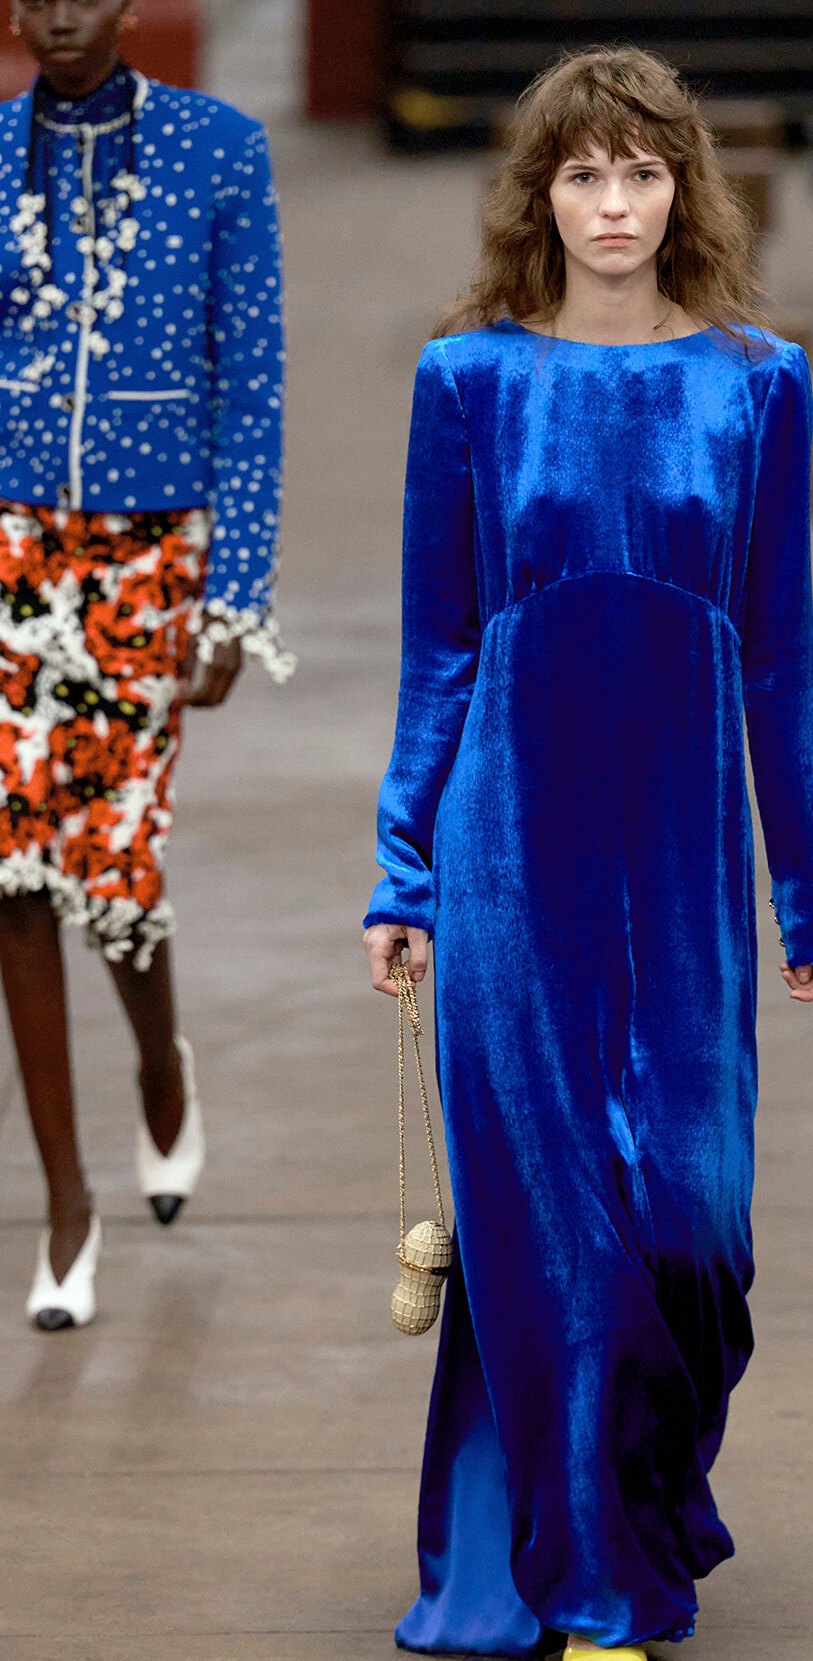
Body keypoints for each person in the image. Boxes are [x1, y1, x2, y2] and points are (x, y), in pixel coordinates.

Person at [363, 47, 813, 1661]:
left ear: (684, 190)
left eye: (643, 173)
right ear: (542, 197)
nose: (616, 203)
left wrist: (811, 892)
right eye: (584, 175)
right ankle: (600, 1582)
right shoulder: (468, 381)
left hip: (689, 852)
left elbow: (779, 662)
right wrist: (402, 873)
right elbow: (438, 648)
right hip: (512, 846)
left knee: (693, 1213)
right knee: (561, 1216)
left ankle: (628, 1503)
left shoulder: (756, 382)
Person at [0, 0, 289, 1332]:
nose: (60, 13)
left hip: (141, 558)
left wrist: (232, 598)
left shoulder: (217, 152)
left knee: (111, 866)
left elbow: (254, 383)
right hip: (8, 549)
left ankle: (159, 1071)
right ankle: (66, 1201)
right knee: (13, 874)